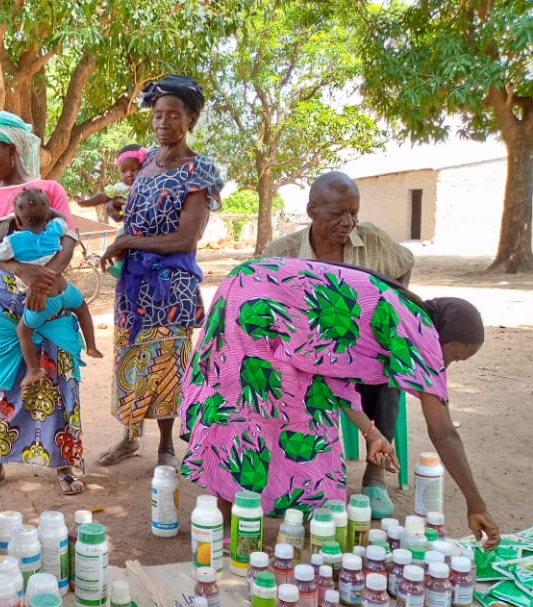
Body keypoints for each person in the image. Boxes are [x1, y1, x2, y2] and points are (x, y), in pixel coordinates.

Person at [179, 257, 500, 550]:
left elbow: (328, 367)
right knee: (252, 413)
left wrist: (371, 433)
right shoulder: (421, 332)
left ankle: (273, 520)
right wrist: (477, 504)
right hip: (256, 305)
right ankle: (234, 528)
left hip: (250, 288)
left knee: (303, 408)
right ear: (446, 338)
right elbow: (443, 431)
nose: (447, 367)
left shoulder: (400, 312)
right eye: (455, 356)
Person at [261, 171, 415, 518]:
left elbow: (405, 263)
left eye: (354, 213)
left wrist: (390, 309)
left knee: (391, 366)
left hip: (360, 355)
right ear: (312, 210)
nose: (348, 223)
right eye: (337, 214)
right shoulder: (282, 253)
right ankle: (287, 474)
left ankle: (375, 474)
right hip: (305, 361)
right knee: (273, 375)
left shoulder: (372, 241)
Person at [98, 74, 224, 469]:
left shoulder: (199, 171)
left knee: (166, 363)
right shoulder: (148, 161)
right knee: (131, 358)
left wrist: (127, 242)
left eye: (173, 115)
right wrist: (119, 213)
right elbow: (140, 213)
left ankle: (167, 446)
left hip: (171, 287)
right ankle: (130, 437)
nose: (163, 122)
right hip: (134, 286)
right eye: (157, 115)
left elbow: (185, 239)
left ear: (190, 119)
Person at [0, 111, 86, 496]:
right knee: (0, 380)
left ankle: (64, 464)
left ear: (13, 149)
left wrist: (46, 277)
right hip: (3, 298)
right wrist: (23, 272)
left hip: (50, 294)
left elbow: (67, 239)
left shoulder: (50, 189)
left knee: (57, 374)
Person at [0, 187, 104, 387]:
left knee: (23, 332)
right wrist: (49, 212)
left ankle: (33, 370)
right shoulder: (54, 230)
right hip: (65, 289)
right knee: (83, 310)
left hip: (45, 300)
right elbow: (62, 220)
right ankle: (91, 346)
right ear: (48, 217)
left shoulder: (14, 241)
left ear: (17, 221)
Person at [77, 144, 148, 219]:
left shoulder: (149, 184)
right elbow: (103, 197)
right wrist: (85, 203)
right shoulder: (121, 187)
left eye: (133, 169)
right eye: (123, 172)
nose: (129, 174)